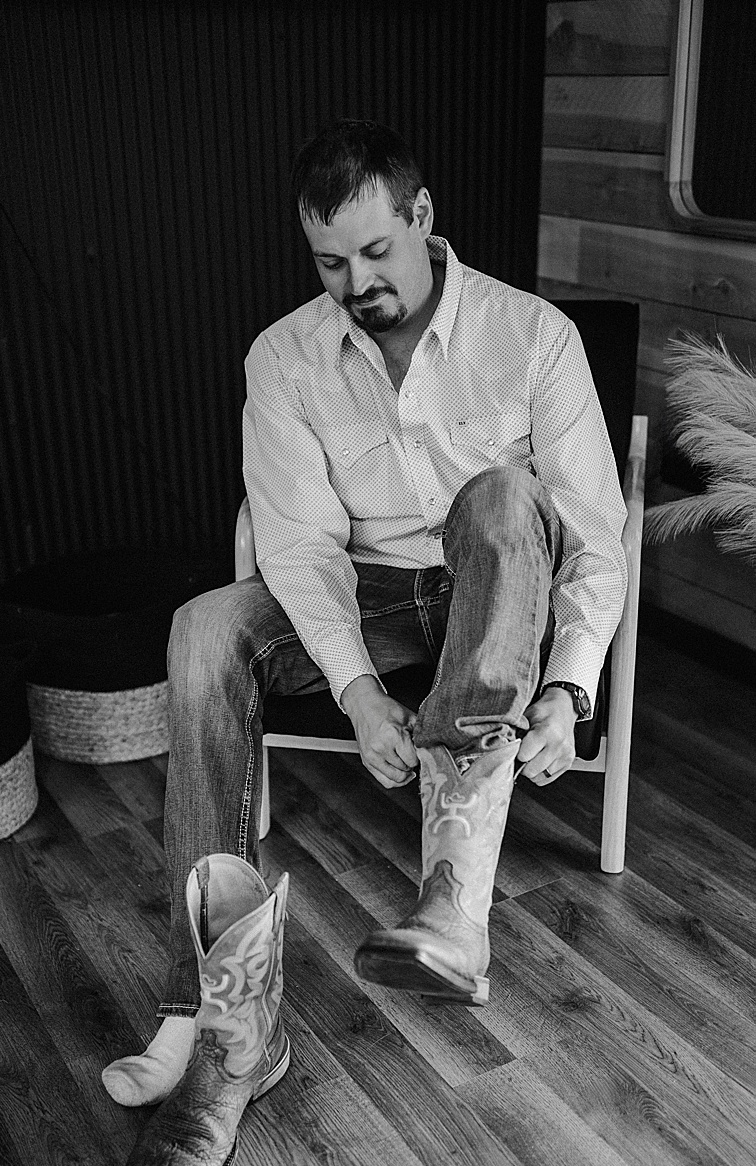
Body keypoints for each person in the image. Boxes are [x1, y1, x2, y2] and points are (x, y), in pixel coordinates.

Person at [103, 119, 627, 1108]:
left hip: (501, 585)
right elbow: (296, 548)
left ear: (421, 216)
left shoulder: (530, 336)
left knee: (503, 496)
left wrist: (566, 684)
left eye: (374, 250)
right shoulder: (284, 358)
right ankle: (206, 1006)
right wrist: (356, 695)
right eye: (328, 261)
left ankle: (451, 905)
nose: (353, 282)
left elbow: (593, 533)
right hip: (374, 594)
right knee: (199, 627)